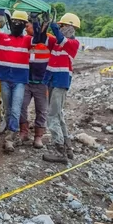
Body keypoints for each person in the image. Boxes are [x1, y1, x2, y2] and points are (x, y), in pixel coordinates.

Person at [0, 9, 40, 152]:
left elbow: (38, 37)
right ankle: (10, 134)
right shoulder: (2, 37)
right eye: (14, 21)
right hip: (5, 79)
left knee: (15, 109)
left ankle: (10, 138)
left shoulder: (27, 40)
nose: (16, 24)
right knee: (8, 110)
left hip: (19, 80)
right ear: (10, 22)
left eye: (20, 22)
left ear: (25, 24)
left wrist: (36, 21)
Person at [41, 13, 80, 164]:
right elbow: (41, 37)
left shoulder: (73, 43)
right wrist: (41, 23)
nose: (61, 28)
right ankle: (67, 148)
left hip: (60, 82)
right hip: (52, 80)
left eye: (62, 25)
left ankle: (59, 150)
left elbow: (59, 37)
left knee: (52, 115)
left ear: (70, 27)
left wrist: (53, 25)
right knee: (58, 114)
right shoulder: (57, 43)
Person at [18, 16, 54, 149]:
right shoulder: (26, 39)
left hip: (42, 81)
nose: (26, 27)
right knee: (21, 106)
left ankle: (38, 136)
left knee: (42, 109)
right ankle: (23, 132)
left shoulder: (48, 39)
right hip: (27, 80)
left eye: (29, 25)